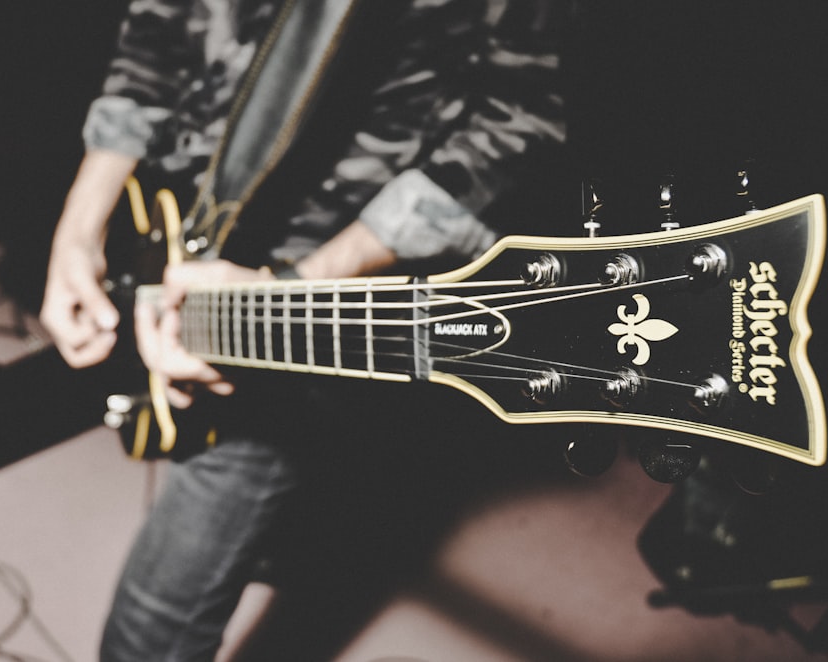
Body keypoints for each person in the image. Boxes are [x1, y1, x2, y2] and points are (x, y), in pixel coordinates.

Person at [39, 1, 570, 659]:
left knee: (148, 636)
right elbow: (157, 29)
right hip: (172, 204)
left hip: (316, 268)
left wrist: (300, 283)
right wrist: (79, 230)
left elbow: (524, 114)